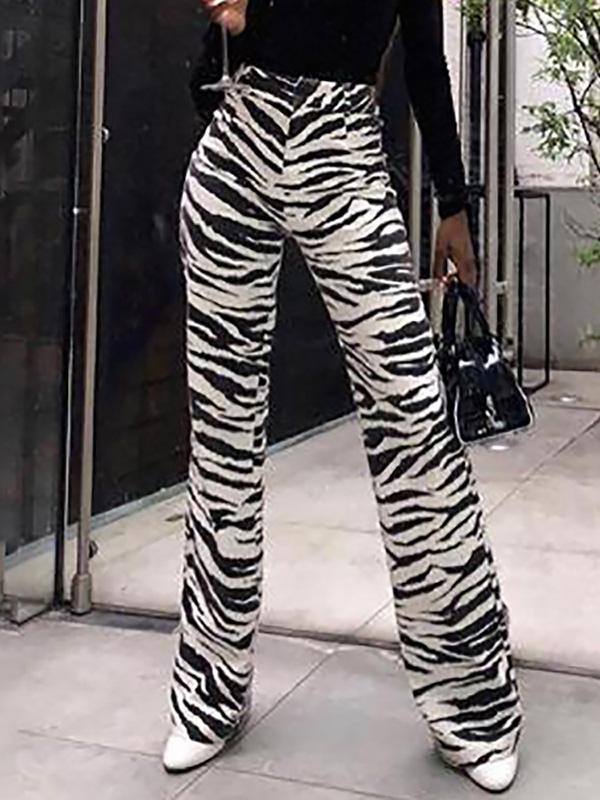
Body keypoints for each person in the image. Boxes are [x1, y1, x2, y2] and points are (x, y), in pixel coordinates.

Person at [163, 0, 522, 792]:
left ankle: (472, 701)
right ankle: (208, 689)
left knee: (413, 418)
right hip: (239, 142)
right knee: (221, 435)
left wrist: (453, 204)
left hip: (344, 152)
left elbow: (425, 57)